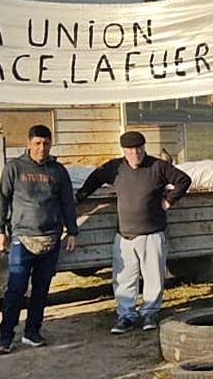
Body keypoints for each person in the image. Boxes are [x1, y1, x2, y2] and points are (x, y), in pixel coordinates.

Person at [76, 131, 191, 334]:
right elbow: (94, 179)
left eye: (139, 148)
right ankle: (126, 315)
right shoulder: (115, 168)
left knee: (153, 276)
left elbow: (183, 180)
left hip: (152, 233)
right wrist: (80, 196)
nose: (135, 153)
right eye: (130, 149)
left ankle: (149, 313)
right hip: (125, 235)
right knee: (123, 278)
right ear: (124, 151)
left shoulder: (157, 166)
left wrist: (169, 200)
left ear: (144, 148)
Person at [0, 125, 79, 354]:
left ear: (51, 144)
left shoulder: (58, 171)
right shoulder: (14, 168)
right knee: (16, 289)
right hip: (22, 239)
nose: (42, 148)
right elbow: (1, 200)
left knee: (41, 290)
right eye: (38, 143)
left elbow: (67, 202)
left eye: (46, 143)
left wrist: (72, 231)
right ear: (29, 143)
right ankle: (5, 338)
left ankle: (32, 333)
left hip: (50, 239)